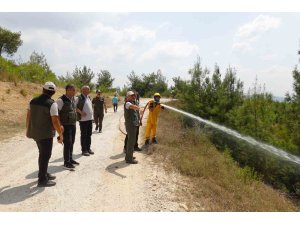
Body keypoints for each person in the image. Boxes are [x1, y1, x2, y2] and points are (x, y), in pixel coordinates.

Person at [26, 81, 64, 187]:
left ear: (43, 90)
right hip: (45, 134)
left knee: (42, 154)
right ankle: (42, 180)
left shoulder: (32, 101)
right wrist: (60, 134)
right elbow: (55, 121)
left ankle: (44, 173)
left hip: (35, 133)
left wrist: (27, 129)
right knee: (45, 155)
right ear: (53, 92)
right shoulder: (52, 104)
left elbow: (28, 116)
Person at [56, 84, 79, 170]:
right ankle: (66, 162)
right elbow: (56, 114)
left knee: (72, 142)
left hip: (72, 124)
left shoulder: (72, 99)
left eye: (74, 90)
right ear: (68, 90)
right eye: (73, 90)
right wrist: (60, 125)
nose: (74, 91)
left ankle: (70, 159)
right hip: (65, 125)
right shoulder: (60, 100)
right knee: (67, 143)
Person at [76, 86, 94, 156]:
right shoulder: (79, 98)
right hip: (83, 120)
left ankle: (88, 148)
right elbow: (74, 106)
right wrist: (81, 112)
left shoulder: (89, 97)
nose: (89, 90)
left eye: (89, 89)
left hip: (89, 119)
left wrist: (92, 117)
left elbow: (90, 107)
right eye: (87, 89)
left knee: (89, 134)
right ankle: (84, 150)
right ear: (83, 90)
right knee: (84, 135)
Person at [124, 91, 140, 164]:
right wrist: (139, 108)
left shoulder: (133, 103)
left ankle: (129, 156)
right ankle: (129, 159)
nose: (133, 96)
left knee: (131, 141)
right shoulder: (128, 103)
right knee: (131, 142)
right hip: (130, 125)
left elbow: (135, 113)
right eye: (131, 96)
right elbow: (133, 107)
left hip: (133, 124)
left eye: (134, 95)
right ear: (127, 97)